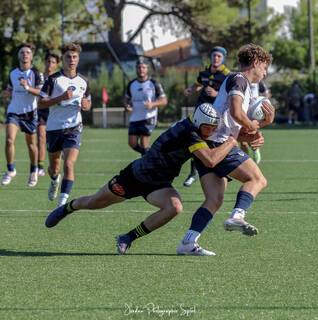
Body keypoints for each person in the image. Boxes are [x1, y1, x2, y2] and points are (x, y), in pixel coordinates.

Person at [45, 103, 242, 255]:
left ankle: (127, 238)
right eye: (210, 128)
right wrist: (233, 141)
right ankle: (68, 208)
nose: (212, 132)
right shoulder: (190, 133)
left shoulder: (195, 126)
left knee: (175, 207)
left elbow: (214, 145)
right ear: (200, 124)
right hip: (135, 177)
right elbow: (210, 160)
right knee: (94, 202)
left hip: (159, 184)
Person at [177, 43, 275, 256]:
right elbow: (236, 112)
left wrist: (259, 129)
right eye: (264, 68)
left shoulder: (241, 84)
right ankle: (238, 215)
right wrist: (254, 127)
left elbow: (236, 125)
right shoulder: (239, 79)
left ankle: (188, 242)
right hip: (218, 143)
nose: (265, 73)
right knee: (257, 179)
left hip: (210, 142)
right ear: (255, 63)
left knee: (214, 199)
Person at [38, 42, 91, 207]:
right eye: (68, 57)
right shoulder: (53, 80)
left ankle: (62, 203)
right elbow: (41, 103)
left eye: (75, 57)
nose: (72, 60)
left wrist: (85, 105)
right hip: (54, 128)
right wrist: (61, 98)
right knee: (54, 168)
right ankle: (54, 180)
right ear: (62, 59)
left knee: (69, 164)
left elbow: (88, 102)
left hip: (74, 128)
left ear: (78, 59)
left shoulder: (84, 81)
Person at [183, 46, 231, 186]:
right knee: (196, 141)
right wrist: (191, 89)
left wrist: (216, 94)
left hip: (216, 114)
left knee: (217, 141)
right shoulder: (204, 71)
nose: (216, 58)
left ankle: (223, 169)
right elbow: (198, 83)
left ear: (223, 58)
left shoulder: (227, 74)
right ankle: (193, 173)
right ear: (210, 57)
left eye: (219, 56)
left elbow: (231, 93)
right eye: (214, 56)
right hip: (200, 111)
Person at [1, 43, 44, 187]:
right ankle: (11, 170)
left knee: (31, 145)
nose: (25, 54)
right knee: (8, 140)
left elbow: (41, 93)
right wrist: (7, 93)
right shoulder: (13, 73)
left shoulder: (36, 73)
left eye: (27, 52)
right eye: (22, 52)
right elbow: (10, 89)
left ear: (31, 56)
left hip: (30, 113)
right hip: (14, 111)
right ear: (18, 56)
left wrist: (27, 87)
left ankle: (33, 171)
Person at [124, 57, 167, 156]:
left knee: (144, 143)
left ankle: (146, 163)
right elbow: (127, 98)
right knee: (132, 143)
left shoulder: (154, 84)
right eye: (139, 67)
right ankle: (150, 156)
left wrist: (153, 104)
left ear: (147, 69)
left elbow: (164, 100)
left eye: (143, 67)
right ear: (136, 69)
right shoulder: (131, 84)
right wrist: (127, 105)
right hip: (135, 118)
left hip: (149, 117)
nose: (141, 69)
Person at [37, 52, 60, 176]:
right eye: (48, 61)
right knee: (41, 136)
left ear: (56, 65)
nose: (50, 64)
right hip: (42, 111)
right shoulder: (39, 77)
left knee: (56, 140)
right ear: (45, 62)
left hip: (56, 112)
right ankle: (40, 166)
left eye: (53, 62)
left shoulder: (58, 79)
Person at [240, 80, 270, 164]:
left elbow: (266, 93)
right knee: (243, 141)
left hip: (254, 113)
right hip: (243, 111)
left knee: (251, 136)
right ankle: (244, 162)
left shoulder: (258, 81)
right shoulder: (240, 81)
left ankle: (255, 149)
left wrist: (261, 105)